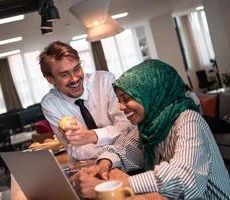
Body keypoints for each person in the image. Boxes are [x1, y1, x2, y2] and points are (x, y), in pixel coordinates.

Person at [74, 59, 230, 199]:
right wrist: (103, 164)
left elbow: (183, 179)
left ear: (151, 94)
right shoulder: (150, 124)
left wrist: (107, 187)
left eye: (126, 99)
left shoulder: (188, 120)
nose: (120, 107)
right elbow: (124, 149)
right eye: (119, 100)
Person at [39, 41, 133, 160]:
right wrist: (113, 146)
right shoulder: (50, 104)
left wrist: (92, 136)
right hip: (93, 164)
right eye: (64, 75)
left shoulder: (105, 81)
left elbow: (127, 127)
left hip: (130, 158)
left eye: (77, 69)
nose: (74, 79)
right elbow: (75, 149)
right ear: (50, 79)